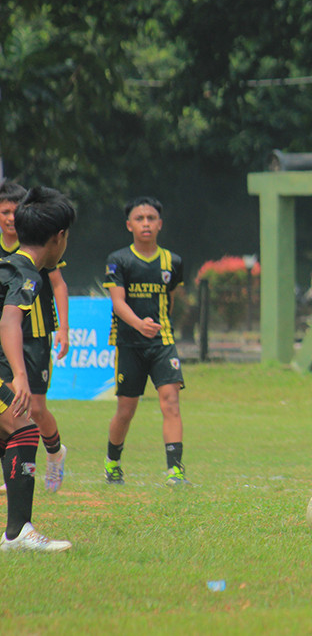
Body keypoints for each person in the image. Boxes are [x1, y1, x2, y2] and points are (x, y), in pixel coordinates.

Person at [0, 185, 74, 552]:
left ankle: (18, 531)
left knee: (10, 434)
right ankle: (17, 533)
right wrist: (18, 374)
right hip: (3, 369)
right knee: (25, 427)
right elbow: (10, 321)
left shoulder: (12, 266)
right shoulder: (27, 274)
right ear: (58, 238)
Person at [102, 197, 188, 486]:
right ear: (129, 225)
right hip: (129, 343)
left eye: (151, 218)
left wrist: (157, 327)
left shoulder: (172, 261)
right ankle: (112, 462)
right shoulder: (118, 260)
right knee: (126, 410)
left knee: (171, 403)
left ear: (160, 224)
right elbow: (117, 302)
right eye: (140, 219)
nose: (146, 223)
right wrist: (139, 325)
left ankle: (175, 471)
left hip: (162, 343)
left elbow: (170, 299)